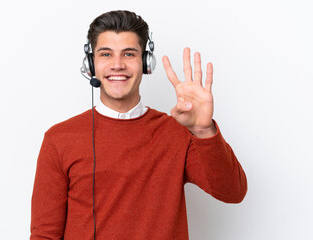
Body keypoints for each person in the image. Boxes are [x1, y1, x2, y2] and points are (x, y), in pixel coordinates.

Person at [30, 10, 247, 240]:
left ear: (146, 62)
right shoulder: (59, 139)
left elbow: (233, 192)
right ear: (91, 64)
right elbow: (45, 234)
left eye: (129, 54)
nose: (117, 65)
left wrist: (203, 131)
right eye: (105, 54)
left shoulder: (176, 132)